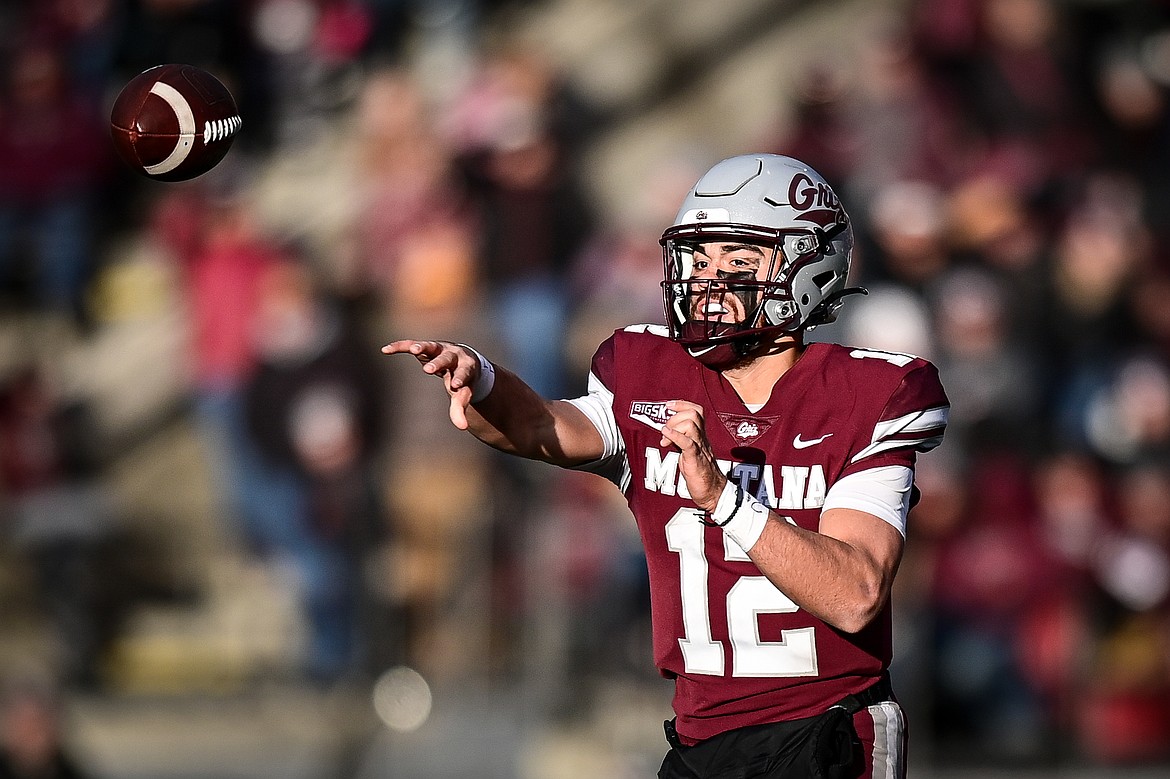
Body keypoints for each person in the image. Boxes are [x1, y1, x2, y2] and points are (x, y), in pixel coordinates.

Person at [384, 153, 950, 778]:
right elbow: (542, 427)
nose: (708, 282)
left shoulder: (869, 397)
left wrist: (725, 500)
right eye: (698, 260)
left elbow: (855, 596)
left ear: (808, 265)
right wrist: (482, 379)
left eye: (737, 262)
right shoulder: (648, 372)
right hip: (699, 737)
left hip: (827, 729)